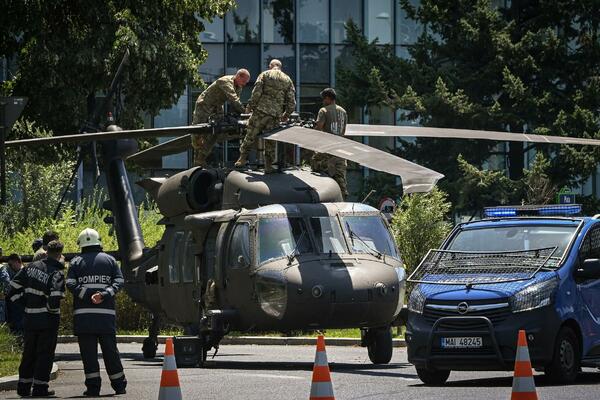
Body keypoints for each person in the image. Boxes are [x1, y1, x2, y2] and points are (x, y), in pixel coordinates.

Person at [66, 228, 126, 396]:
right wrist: (104, 294)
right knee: (110, 352)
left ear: (81, 244)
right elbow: (120, 281)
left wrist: (86, 295)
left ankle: (93, 388)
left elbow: (70, 283)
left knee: (88, 355)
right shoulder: (110, 260)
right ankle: (119, 385)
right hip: (105, 317)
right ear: (98, 241)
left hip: (84, 318)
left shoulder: (76, 262)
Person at [7, 241, 65, 398]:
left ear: (46, 251)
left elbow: (12, 289)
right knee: (45, 354)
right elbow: (54, 298)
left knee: (29, 353)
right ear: (60, 254)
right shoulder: (56, 272)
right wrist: (51, 311)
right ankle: (40, 388)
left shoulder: (30, 267)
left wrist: (24, 304)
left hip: (29, 318)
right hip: (47, 320)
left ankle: (24, 387)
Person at [235, 59, 296, 173]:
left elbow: (256, 93)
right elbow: (292, 101)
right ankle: (268, 166)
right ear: (280, 67)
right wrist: (286, 114)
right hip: (275, 115)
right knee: (271, 140)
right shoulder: (287, 80)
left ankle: (242, 158)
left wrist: (250, 107)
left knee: (251, 134)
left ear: (270, 66)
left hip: (261, 111)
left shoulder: (265, 74)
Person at [191, 69, 251, 167]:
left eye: (246, 83)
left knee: (218, 129)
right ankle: (196, 160)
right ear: (238, 76)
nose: (244, 84)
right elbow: (234, 100)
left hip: (217, 106)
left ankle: (201, 158)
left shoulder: (238, 87)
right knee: (197, 131)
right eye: (244, 81)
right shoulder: (226, 81)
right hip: (205, 104)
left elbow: (235, 103)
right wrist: (246, 113)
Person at [311, 88, 349, 199]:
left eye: (324, 99)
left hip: (328, 148)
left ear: (328, 98)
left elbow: (319, 128)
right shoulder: (343, 111)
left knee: (314, 161)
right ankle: (343, 197)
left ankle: (319, 192)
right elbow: (343, 131)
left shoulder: (323, 110)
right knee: (340, 177)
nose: (323, 101)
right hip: (340, 150)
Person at [4, 254, 25, 335]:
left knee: (19, 330)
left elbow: (10, 290)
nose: (10, 267)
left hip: (19, 307)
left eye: (10, 264)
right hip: (18, 306)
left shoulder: (21, 274)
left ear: (17, 262)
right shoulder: (20, 273)